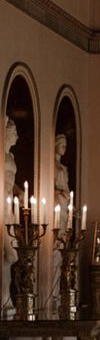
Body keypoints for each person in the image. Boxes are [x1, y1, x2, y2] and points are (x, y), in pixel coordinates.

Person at [3, 117, 19, 306]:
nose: (17, 136)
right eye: (14, 132)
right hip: (1, 206)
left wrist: (20, 193)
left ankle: (5, 298)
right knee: (9, 255)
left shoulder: (11, 157)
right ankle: (4, 298)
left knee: (11, 256)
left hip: (8, 208)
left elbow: (11, 182)